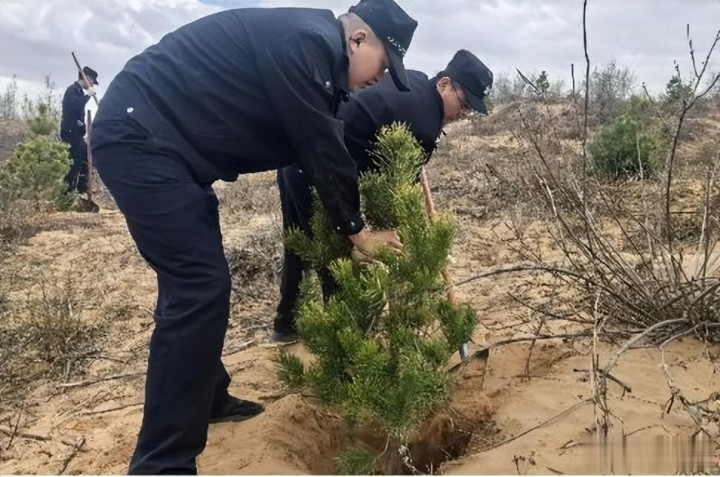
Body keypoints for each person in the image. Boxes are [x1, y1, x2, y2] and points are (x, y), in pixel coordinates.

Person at [90, 0, 417, 474]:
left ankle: (208, 398)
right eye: (383, 65)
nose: (380, 79)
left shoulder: (315, 52)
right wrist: (358, 231)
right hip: (140, 139)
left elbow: (323, 140)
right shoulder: (306, 43)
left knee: (199, 284)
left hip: (170, 150)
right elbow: (319, 145)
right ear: (358, 39)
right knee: (199, 286)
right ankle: (163, 464)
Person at [272, 50, 494, 342]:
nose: (462, 115)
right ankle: (348, 340)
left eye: (469, 111)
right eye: (463, 104)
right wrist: (416, 243)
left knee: (299, 243)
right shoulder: (424, 125)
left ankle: (286, 326)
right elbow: (400, 196)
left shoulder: (415, 80)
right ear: (444, 84)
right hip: (318, 167)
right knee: (333, 252)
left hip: (297, 150)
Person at [61, 66, 98, 194]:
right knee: (74, 163)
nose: (92, 85)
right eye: (92, 81)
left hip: (77, 134)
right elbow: (74, 107)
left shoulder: (79, 92)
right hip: (70, 133)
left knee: (85, 159)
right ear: (87, 78)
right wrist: (88, 96)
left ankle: (81, 190)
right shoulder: (72, 90)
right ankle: (67, 193)